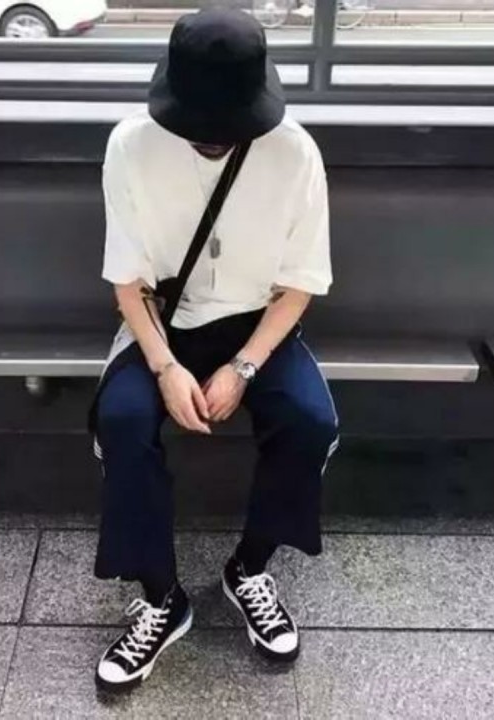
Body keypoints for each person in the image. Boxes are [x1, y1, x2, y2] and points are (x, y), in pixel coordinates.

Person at [91, 7, 339, 692]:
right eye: (198, 126)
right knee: (122, 420)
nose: (212, 140)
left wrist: (244, 367)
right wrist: (166, 366)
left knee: (311, 421)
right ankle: (161, 597)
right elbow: (127, 281)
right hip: (161, 323)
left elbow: (300, 285)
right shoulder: (131, 146)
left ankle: (249, 568)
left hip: (258, 324)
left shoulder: (294, 153)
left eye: (227, 127)